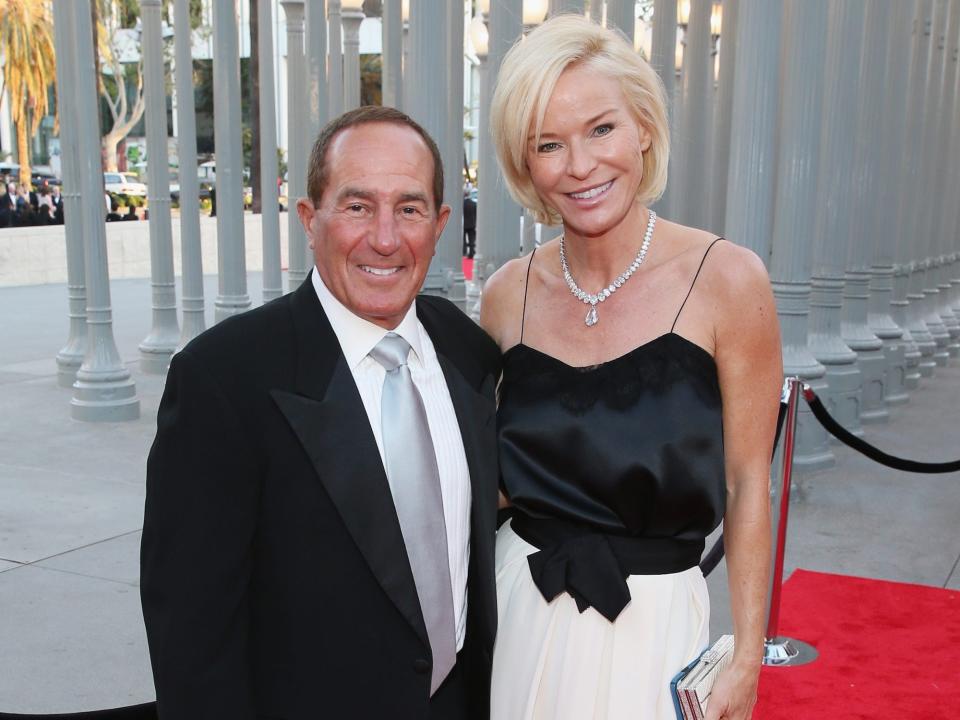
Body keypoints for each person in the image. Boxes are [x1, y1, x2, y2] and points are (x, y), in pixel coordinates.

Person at [141, 106, 501, 719]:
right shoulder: (224, 379)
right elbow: (193, 639)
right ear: (311, 219)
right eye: (358, 206)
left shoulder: (470, 353)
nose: (385, 239)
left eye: (409, 209)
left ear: (441, 224)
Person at [480, 16, 781, 720]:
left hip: (655, 629)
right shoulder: (505, 295)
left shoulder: (727, 280)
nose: (580, 165)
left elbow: (746, 483)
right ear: (526, 166)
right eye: (548, 144)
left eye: (601, 129)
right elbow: (484, 478)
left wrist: (746, 655)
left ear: (644, 127)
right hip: (521, 606)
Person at [463, 184, 477, 259]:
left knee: (464, 239)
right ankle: (471, 253)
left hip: (464, 224)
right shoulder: (474, 204)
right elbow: (476, 214)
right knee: (472, 239)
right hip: (472, 224)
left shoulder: (462, 204)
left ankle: (464, 252)